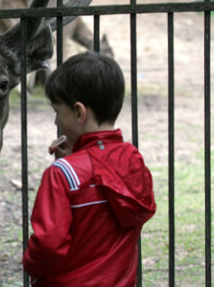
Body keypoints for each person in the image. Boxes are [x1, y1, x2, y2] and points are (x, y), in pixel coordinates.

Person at [23, 52, 156, 286]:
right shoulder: (133, 162)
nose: (56, 122)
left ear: (79, 112)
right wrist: (78, 158)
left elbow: (49, 245)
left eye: (57, 111)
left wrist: (30, 264)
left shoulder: (61, 175)